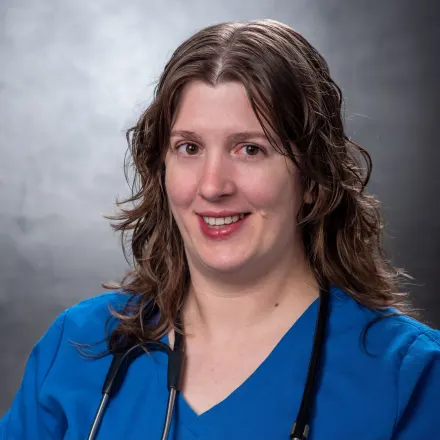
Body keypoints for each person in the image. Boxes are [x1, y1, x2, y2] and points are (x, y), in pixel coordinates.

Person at [1, 19, 439, 440]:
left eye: (250, 149)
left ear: (313, 178)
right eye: (189, 147)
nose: (213, 186)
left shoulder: (411, 377)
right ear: (162, 166)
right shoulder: (79, 344)